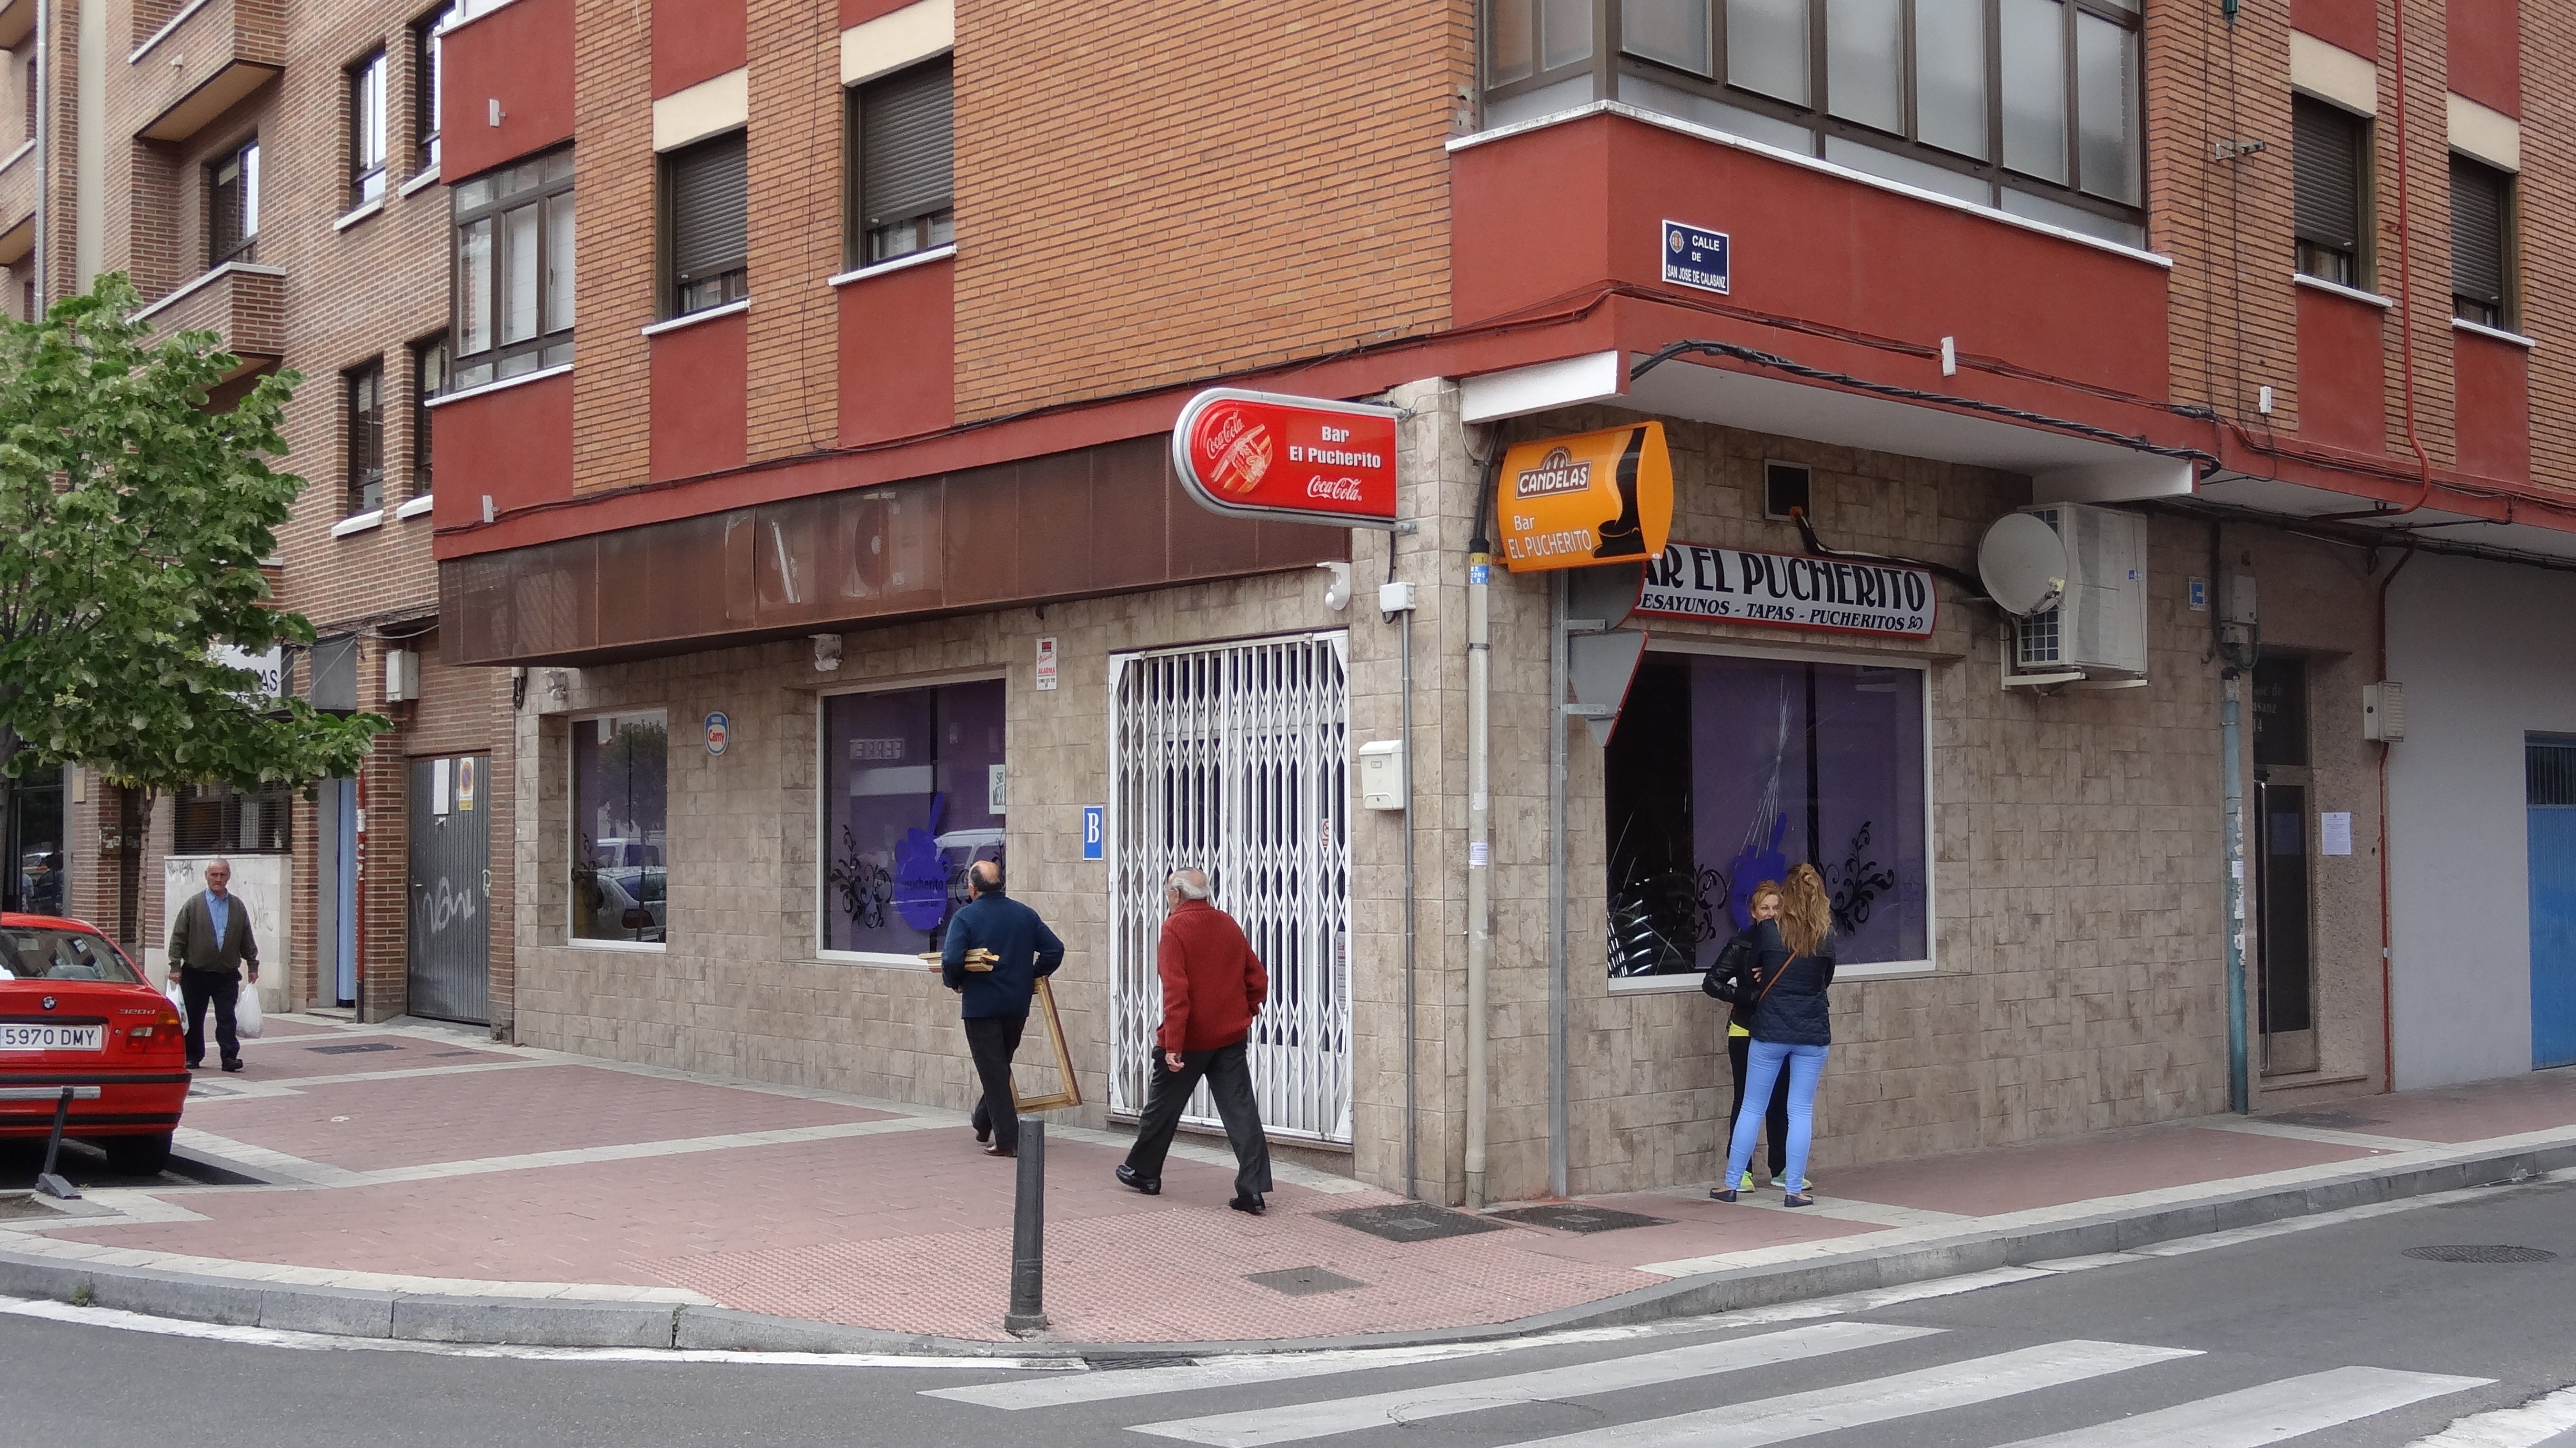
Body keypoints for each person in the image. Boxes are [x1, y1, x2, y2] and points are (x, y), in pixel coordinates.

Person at [1115, 868, 1274, 1214]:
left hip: (1190, 1039)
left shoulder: (1175, 927)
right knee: (1241, 1109)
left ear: (1176, 895)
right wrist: (1244, 1010)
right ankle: (1253, 1189)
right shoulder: (1227, 923)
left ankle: (1145, 1173)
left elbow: (1176, 992)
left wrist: (1173, 1044)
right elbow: (1257, 977)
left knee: (1162, 1108)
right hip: (1229, 1036)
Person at [1712, 862, 1836, 1208]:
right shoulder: (1826, 935)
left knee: (1751, 1106)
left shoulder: (1769, 932)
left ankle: (1732, 1184)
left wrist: (1766, 976)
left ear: (1787, 898)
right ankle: (1794, 1190)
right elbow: (1825, 980)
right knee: (1800, 1111)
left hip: (1770, 1031)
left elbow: (1755, 975)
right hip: (1812, 1032)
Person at [939, 859, 1065, 1159]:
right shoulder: (1025, 914)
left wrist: (955, 982)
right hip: (1016, 1005)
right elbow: (1055, 950)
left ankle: (1008, 1139)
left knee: (994, 1071)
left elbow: (950, 960)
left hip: (981, 1006)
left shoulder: (966, 917)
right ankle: (983, 1122)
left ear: (972, 888)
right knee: (999, 1066)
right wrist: (1032, 975)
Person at [1703, 880, 1793, 1192]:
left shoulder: (1790, 945)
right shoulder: (1741, 945)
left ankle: (1781, 1169)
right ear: (1754, 912)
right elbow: (1712, 982)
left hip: (1780, 1031)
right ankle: (1742, 1171)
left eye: (1776, 908)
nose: (1770, 913)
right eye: (1764, 908)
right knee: (1745, 1100)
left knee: (1779, 1101)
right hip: (1745, 1031)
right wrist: (1749, 994)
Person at [167, 858, 260, 1072]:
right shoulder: (193, 904)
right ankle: (192, 1056)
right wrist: (175, 966)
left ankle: (229, 1057)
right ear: (206, 876)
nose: (218, 879)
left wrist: (252, 964)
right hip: (196, 972)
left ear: (228, 877)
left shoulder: (237, 906)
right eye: (214, 875)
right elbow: (179, 936)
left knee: (227, 1017)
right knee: (194, 1016)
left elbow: (246, 936)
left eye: (222, 875)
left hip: (226, 973)